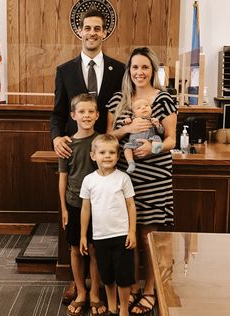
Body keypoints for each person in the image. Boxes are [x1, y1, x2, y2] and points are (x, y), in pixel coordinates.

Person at [106, 47, 177, 315]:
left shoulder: (164, 99)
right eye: (135, 67)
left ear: (153, 70)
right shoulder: (118, 99)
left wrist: (152, 148)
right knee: (130, 233)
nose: (139, 72)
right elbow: (109, 137)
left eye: (145, 67)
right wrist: (127, 129)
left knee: (150, 235)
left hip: (156, 176)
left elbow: (170, 138)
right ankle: (132, 285)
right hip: (126, 176)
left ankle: (150, 289)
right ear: (129, 71)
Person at [50, 8, 125, 159]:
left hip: (109, 151)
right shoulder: (65, 71)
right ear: (80, 32)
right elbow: (58, 113)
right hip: (75, 150)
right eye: (87, 28)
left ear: (104, 33)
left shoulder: (120, 70)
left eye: (97, 29)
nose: (92, 33)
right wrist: (56, 138)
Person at [58, 93, 106, 316]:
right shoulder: (66, 144)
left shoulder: (102, 142)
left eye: (90, 112)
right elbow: (63, 178)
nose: (86, 115)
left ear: (97, 115)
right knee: (76, 249)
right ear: (73, 115)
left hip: (99, 205)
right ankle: (81, 292)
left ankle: (95, 292)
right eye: (81, 112)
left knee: (95, 249)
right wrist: (64, 209)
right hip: (74, 204)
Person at [80, 134, 137, 316]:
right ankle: (112, 308)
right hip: (100, 237)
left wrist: (132, 231)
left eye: (112, 152)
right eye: (102, 152)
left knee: (123, 277)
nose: (107, 156)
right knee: (107, 276)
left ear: (118, 156)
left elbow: (131, 205)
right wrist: (83, 235)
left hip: (121, 236)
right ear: (93, 155)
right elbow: (85, 209)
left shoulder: (123, 179)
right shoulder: (89, 180)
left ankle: (124, 311)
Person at [122, 98, 164, 173]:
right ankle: (131, 163)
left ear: (151, 109)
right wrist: (126, 121)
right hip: (134, 143)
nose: (143, 107)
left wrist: (157, 125)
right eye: (139, 107)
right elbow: (125, 124)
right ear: (134, 113)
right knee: (126, 146)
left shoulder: (153, 120)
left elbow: (161, 132)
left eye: (146, 105)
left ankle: (156, 150)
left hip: (149, 141)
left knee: (157, 137)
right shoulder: (133, 119)